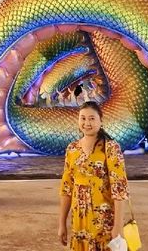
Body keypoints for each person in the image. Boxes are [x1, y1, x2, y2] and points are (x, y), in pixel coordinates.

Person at [58, 101, 129, 250]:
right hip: (79, 224)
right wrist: (62, 224)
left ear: (100, 120)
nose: (87, 123)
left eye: (91, 118)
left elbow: (120, 190)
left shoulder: (110, 148)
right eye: (83, 118)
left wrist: (118, 226)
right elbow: (66, 189)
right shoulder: (72, 149)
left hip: (104, 225)